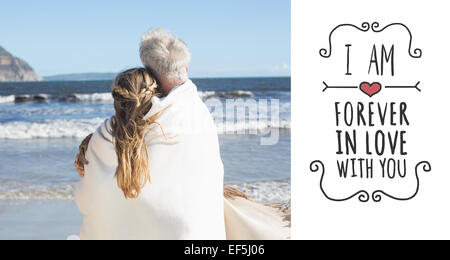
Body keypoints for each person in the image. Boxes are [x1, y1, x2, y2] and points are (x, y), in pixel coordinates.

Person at [74, 28, 290, 240]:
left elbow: (90, 197)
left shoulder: (118, 128)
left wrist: (90, 152)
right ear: (185, 67)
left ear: (148, 70)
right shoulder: (199, 112)